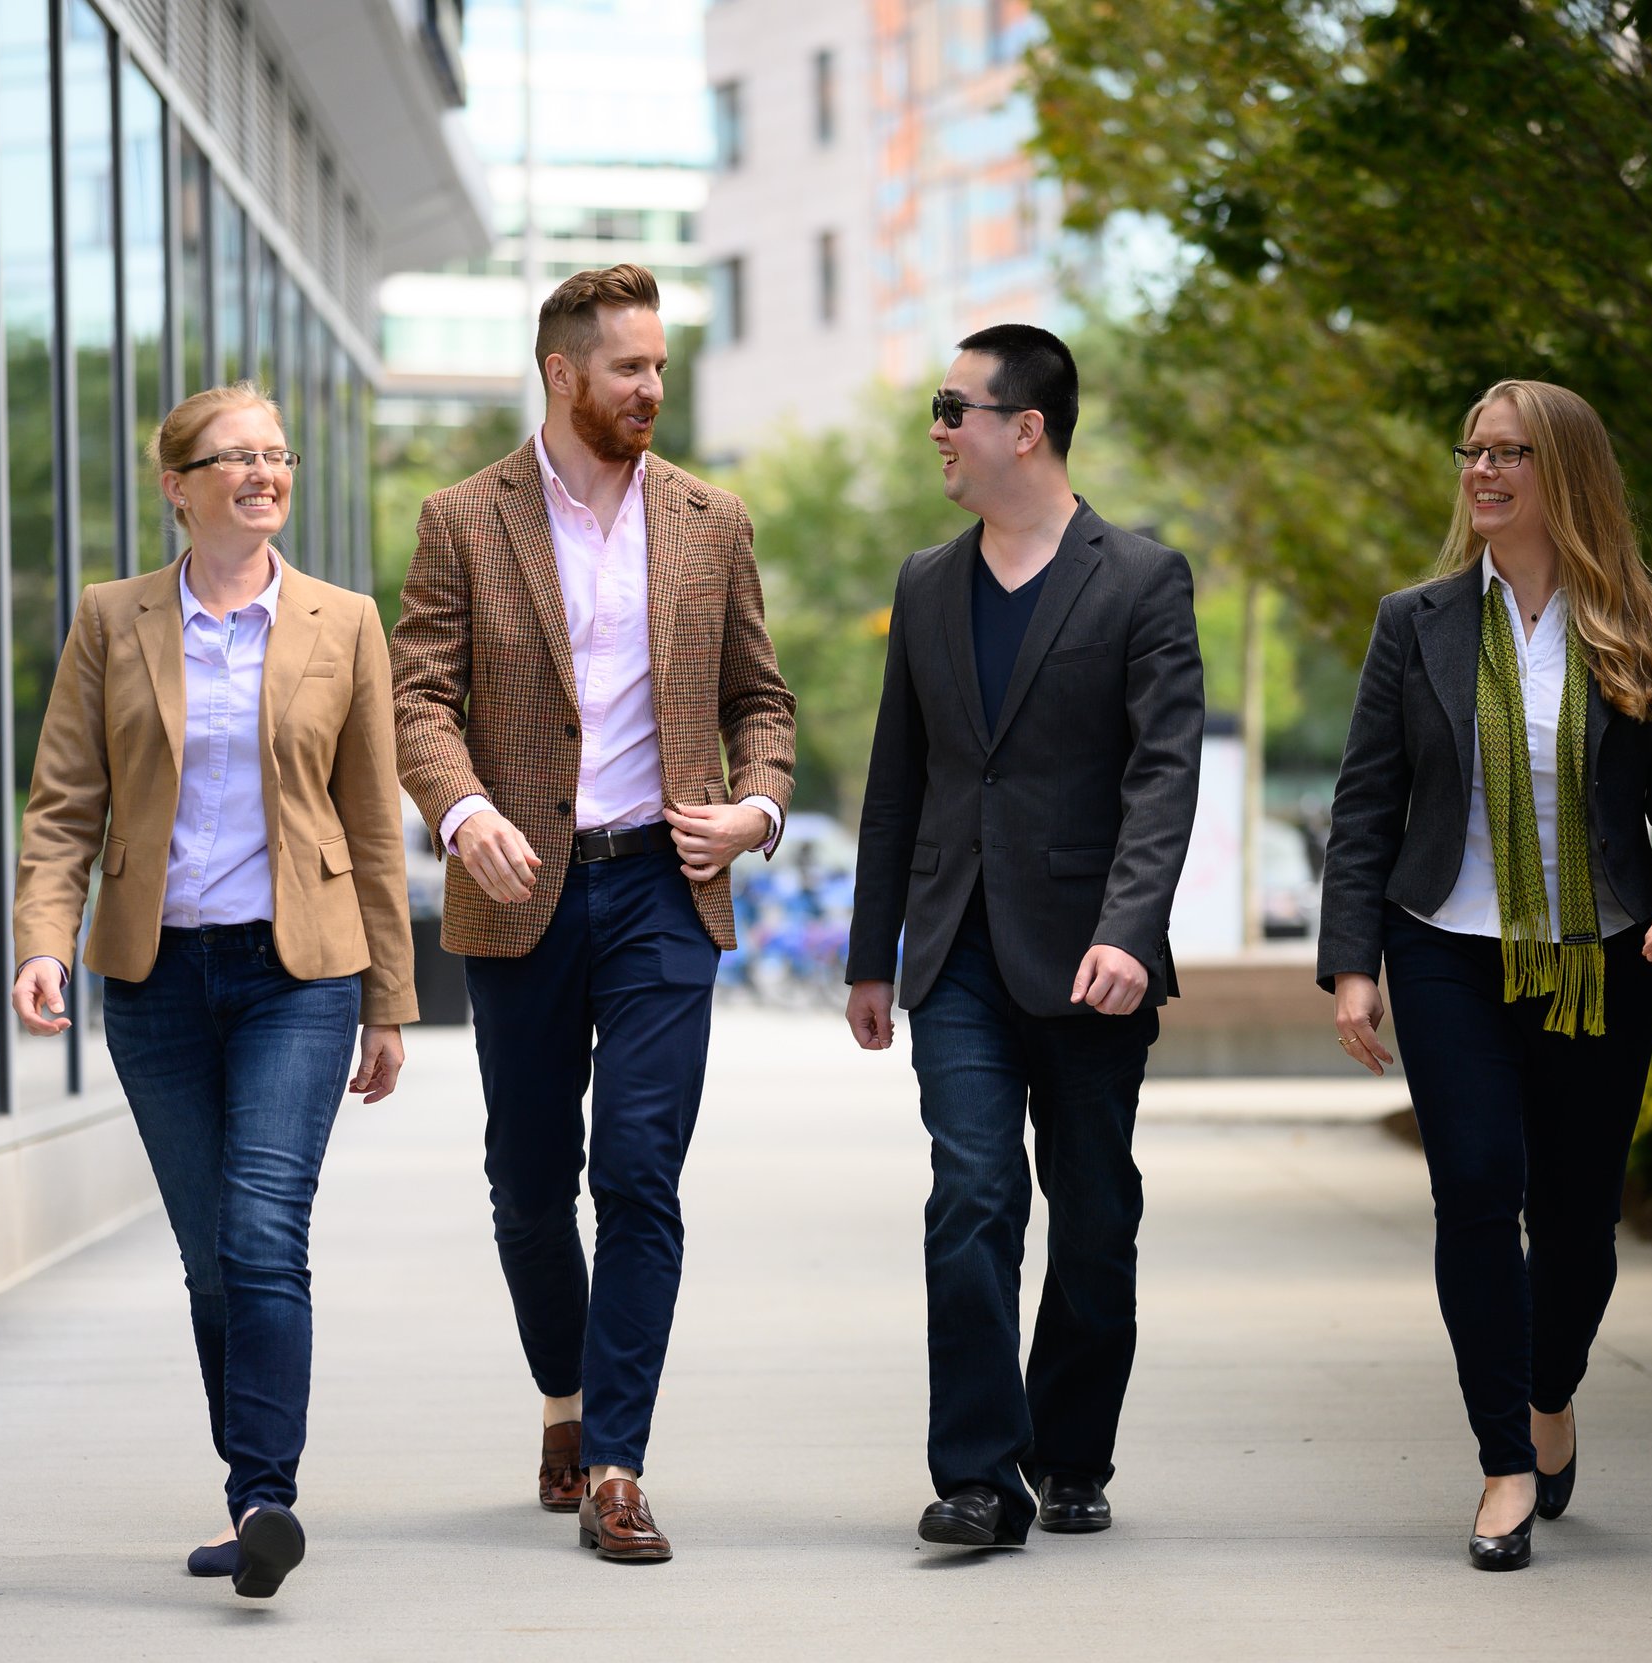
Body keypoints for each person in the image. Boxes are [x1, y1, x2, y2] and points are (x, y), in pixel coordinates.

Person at [389, 264, 795, 1565]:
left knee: (636, 1167)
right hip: (520, 887)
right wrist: (463, 811)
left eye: (660, 365)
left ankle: (618, 1461)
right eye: (630, 367)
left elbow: (759, 699)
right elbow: (417, 698)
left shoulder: (711, 519)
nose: (652, 387)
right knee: (527, 1181)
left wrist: (756, 807)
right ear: (563, 374)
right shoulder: (464, 518)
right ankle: (563, 1397)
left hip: (666, 885)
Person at [1317, 379, 1652, 1572]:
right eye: (1472, 451)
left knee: (1576, 1221)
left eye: (1508, 452)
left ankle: (1550, 1389)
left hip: (1602, 956)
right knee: (1473, 1190)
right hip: (1445, 949)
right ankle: (1505, 1458)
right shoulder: (1416, 622)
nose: (1481, 470)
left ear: (1567, 470)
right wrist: (1352, 966)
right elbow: (1367, 801)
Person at [10, 382, 417, 1599]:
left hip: (299, 973)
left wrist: (388, 999)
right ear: (176, 486)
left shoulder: (345, 621)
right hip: (158, 976)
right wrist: (43, 937)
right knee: (208, 1259)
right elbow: (64, 802)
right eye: (234, 456)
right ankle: (250, 1496)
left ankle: (263, 1499)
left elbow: (373, 822)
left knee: (261, 1231)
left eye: (275, 454)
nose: (262, 473)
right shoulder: (112, 618)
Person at [845, 325, 1204, 1549]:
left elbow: (1162, 776)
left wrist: (1130, 931)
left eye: (955, 408)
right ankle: (978, 1475)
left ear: (1026, 427)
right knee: (972, 1192)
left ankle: (1071, 1451)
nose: (937, 430)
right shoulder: (924, 582)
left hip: (1094, 958)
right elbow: (897, 781)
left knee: (1094, 1214)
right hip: (955, 951)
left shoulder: (1140, 579)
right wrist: (872, 953)